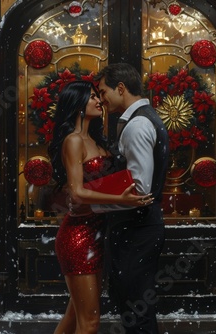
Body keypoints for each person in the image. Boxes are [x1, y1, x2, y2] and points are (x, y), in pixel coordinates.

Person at [47, 80, 153, 334]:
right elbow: (77, 191)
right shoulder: (73, 141)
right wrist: (123, 200)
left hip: (99, 233)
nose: (99, 100)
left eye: (98, 95)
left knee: (75, 315)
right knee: (91, 321)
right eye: (92, 96)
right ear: (77, 104)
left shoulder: (97, 140)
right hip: (78, 237)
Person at [93, 63, 170, 334]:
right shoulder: (143, 119)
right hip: (139, 227)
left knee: (136, 309)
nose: (102, 99)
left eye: (103, 92)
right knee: (135, 307)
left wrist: (93, 203)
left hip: (137, 228)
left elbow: (139, 190)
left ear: (121, 88)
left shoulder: (137, 124)